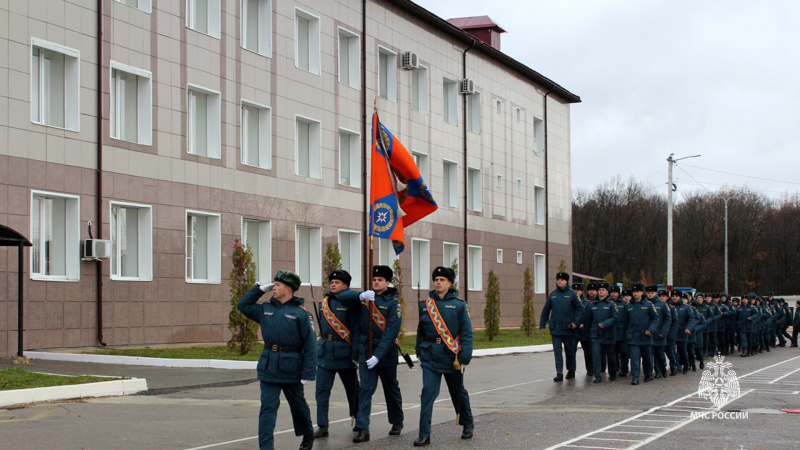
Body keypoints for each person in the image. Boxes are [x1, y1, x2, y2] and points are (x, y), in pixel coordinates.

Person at [237, 270, 316, 450]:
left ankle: (307, 434)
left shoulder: (301, 314)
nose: (273, 287)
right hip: (269, 366)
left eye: (277, 285)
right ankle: (266, 447)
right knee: (268, 407)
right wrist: (258, 290)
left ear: (288, 289)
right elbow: (242, 305)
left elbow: (310, 346)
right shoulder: (265, 309)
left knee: (298, 406)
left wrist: (308, 373)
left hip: (292, 368)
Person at [415, 266, 474, 447]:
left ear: (450, 283)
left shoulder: (459, 305)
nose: (438, 282)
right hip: (430, 356)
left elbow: (466, 333)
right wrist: (419, 351)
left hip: (452, 356)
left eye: (442, 280)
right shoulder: (425, 305)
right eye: (436, 279)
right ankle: (424, 434)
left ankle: (467, 422)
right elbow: (421, 331)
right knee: (427, 393)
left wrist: (465, 356)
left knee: (458, 392)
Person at [352, 265, 404, 443]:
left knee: (391, 389)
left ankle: (397, 421)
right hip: (366, 351)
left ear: (388, 282)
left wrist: (378, 356)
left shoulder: (393, 304)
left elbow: (390, 333)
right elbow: (358, 328)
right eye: (374, 279)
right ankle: (363, 427)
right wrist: (358, 351)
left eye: (380, 280)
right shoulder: (366, 300)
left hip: (386, 354)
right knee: (365, 389)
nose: (376, 282)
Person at [312, 270, 363, 440]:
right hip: (326, 352)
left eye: (337, 282)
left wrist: (355, 354)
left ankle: (358, 419)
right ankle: (322, 425)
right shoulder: (324, 303)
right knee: (321, 391)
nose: (333, 284)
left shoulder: (352, 303)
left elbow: (356, 329)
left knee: (353, 390)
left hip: (345, 353)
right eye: (332, 281)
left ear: (345, 286)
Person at [540, 272, 583, 381]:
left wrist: (575, 323)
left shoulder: (572, 295)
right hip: (556, 329)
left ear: (566, 281)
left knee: (569, 351)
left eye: (562, 279)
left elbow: (581, 309)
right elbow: (545, 311)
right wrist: (542, 324)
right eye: (558, 279)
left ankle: (571, 370)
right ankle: (559, 372)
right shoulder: (553, 295)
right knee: (557, 352)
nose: (560, 281)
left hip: (568, 329)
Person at [621, 283, 658, 385]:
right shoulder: (628, 306)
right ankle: (635, 377)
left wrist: (650, 330)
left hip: (645, 335)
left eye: (637, 292)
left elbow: (655, 319)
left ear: (642, 292)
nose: (635, 294)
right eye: (634, 292)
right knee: (634, 357)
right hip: (633, 336)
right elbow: (625, 322)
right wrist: (625, 335)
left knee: (646, 357)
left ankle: (648, 373)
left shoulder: (649, 305)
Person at [581, 281, 618, 383]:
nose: (601, 291)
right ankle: (597, 375)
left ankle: (612, 373)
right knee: (596, 354)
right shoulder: (592, 304)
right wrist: (585, 333)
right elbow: (588, 320)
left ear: (607, 292)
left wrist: (605, 324)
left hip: (608, 334)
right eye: (599, 290)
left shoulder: (611, 305)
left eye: (603, 290)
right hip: (596, 334)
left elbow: (615, 318)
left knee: (610, 355)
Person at [647, 285, 671, 379]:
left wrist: (663, 332)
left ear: (655, 293)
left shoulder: (662, 304)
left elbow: (668, 319)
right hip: (649, 334)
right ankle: (654, 372)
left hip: (659, 333)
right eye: (648, 293)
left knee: (660, 354)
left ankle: (662, 369)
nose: (650, 294)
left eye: (652, 293)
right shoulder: (646, 303)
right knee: (650, 354)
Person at [671, 290, 696, 374]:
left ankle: (685, 364)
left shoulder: (686, 307)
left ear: (679, 297)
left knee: (682, 351)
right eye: (673, 296)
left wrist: (688, 328)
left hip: (682, 332)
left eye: (676, 296)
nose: (674, 298)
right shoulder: (669, 306)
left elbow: (691, 318)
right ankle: (675, 367)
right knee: (672, 352)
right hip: (672, 332)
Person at [614, 288, 631, 377]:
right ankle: (616, 368)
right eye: (624, 296)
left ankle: (624, 368)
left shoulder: (626, 305)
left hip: (624, 332)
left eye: (628, 296)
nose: (626, 298)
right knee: (615, 353)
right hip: (614, 332)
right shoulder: (613, 303)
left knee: (624, 352)